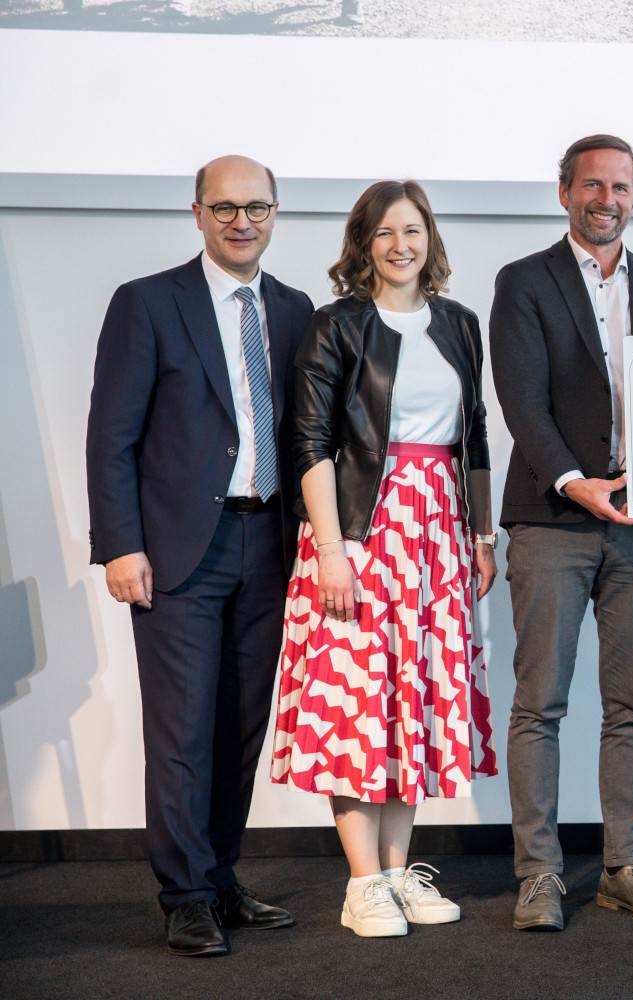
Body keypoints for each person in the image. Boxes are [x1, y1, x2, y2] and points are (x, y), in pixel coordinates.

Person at [85, 155, 312, 956]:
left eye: (256, 207)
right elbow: (112, 436)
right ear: (196, 213)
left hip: (270, 542)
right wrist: (120, 545)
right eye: (224, 208)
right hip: (178, 550)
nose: (241, 221)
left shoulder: (293, 308)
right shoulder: (148, 302)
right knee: (182, 731)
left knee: (242, 726)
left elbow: (302, 438)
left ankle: (218, 878)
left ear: (276, 212)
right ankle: (183, 896)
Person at [267, 180, 498, 938]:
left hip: (438, 535)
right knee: (359, 703)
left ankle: (399, 874)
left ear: (430, 237)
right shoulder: (338, 325)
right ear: (362, 244)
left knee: (418, 701)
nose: (403, 244)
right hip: (362, 530)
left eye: (414, 229)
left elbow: (477, 438)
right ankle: (362, 882)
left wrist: (482, 536)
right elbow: (307, 441)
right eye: (386, 232)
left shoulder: (460, 323)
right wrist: (332, 551)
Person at [491, 134, 633, 931]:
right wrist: (580, 485)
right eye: (591, 184)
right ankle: (539, 874)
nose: (605, 198)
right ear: (564, 192)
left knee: (630, 706)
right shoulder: (524, 281)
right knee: (539, 702)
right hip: (553, 519)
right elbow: (522, 401)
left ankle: (624, 866)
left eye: (620, 185)